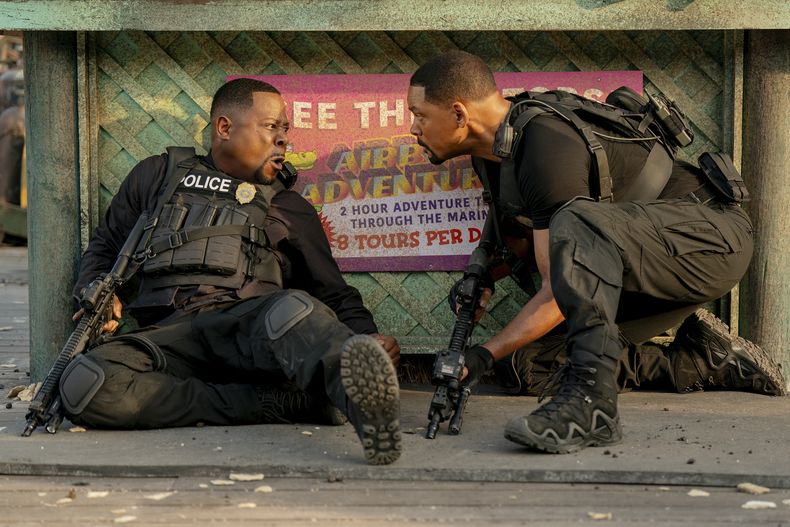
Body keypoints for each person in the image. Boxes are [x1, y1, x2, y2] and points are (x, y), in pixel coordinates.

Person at [407, 50, 785, 454]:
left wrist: (481, 354)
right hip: (643, 263)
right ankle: (705, 360)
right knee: (529, 366)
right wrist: (483, 278)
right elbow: (531, 242)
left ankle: (592, 408)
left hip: (709, 241)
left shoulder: (543, 144)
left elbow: (559, 285)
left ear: (460, 114)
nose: (413, 128)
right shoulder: (495, 153)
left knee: (577, 223)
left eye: (420, 114)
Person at [62, 78, 402, 465]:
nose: (283, 141)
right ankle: (278, 405)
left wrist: (367, 339)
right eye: (271, 127)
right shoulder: (159, 175)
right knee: (85, 385)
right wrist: (95, 290)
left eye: (286, 130)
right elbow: (106, 245)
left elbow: (333, 293)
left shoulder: (288, 206)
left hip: (250, 336)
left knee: (292, 309)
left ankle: (363, 404)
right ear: (224, 128)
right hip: (170, 340)